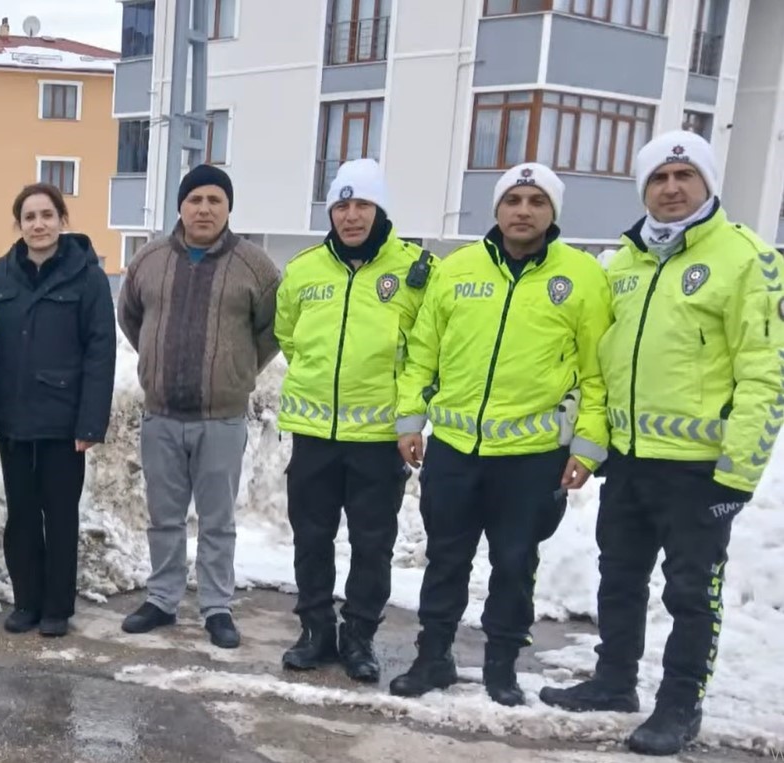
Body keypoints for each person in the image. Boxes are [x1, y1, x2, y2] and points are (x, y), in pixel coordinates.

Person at [539, 132, 784, 756]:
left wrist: (739, 474)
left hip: (701, 472)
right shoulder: (621, 264)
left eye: (685, 177)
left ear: (706, 185)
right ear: (644, 189)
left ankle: (680, 706)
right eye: (659, 179)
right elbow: (597, 363)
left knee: (690, 593)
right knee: (619, 578)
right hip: (629, 462)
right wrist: (591, 447)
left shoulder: (747, 259)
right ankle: (614, 681)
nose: (671, 189)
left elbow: (765, 372)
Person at [388, 163, 611, 706]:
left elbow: (597, 371)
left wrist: (587, 445)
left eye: (536, 200)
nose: (523, 210)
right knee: (446, 559)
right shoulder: (457, 269)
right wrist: (410, 418)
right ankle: (432, 658)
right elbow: (422, 353)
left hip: (532, 460)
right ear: (497, 209)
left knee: (515, 564)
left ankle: (501, 666)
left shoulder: (581, 277)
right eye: (513, 199)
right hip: (456, 452)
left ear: (552, 211)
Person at [273, 158, 428, 681]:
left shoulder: (414, 271)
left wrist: (409, 416)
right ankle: (315, 631)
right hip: (315, 435)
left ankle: (359, 636)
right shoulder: (304, 269)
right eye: (341, 205)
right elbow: (288, 335)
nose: (351, 216)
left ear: (379, 208)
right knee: (310, 538)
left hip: (379, 439)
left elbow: (426, 351)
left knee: (372, 544)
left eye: (361, 204)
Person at [116, 164, 282, 650]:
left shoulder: (255, 265)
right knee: (163, 517)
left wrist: (236, 367)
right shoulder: (148, 260)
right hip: (161, 416)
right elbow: (130, 316)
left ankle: (216, 607)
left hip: (221, 420)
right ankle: (162, 599)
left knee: (217, 521)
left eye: (215, 200)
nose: (204, 208)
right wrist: (155, 357)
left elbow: (273, 329)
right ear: (180, 207)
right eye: (195, 200)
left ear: (228, 208)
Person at [0, 184, 116, 638]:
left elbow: (100, 352)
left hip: (63, 422)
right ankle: (26, 603)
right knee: (20, 515)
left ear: (63, 220)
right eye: (30, 217)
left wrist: (91, 420)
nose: (38, 224)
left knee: (59, 515)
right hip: (14, 419)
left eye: (47, 215)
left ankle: (57, 608)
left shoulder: (87, 277)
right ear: (19, 224)